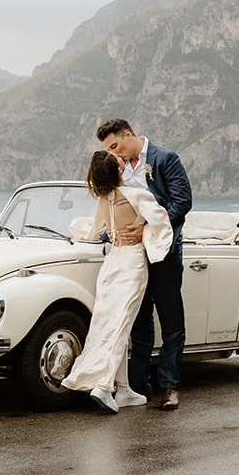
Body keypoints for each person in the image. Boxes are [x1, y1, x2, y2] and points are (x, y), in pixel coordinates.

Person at [60, 150, 172, 414]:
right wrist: (148, 232)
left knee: (105, 323)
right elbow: (162, 220)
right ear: (118, 171)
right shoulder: (135, 194)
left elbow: (93, 231)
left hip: (112, 263)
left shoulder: (103, 201)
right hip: (132, 261)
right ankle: (103, 385)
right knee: (122, 323)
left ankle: (123, 389)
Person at [96, 118, 192, 411]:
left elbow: (182, 202)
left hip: (163, 252)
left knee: (170, 317)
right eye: (108, 150)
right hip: (132, 258)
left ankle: (170, 386)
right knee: (138, 320)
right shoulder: (119, 168)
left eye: (115, 145)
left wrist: (148, 228)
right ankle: (138, 385)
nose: (113, 153)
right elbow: (114, 205)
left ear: (128, 135)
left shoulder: (165, 158)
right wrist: (110, 232)